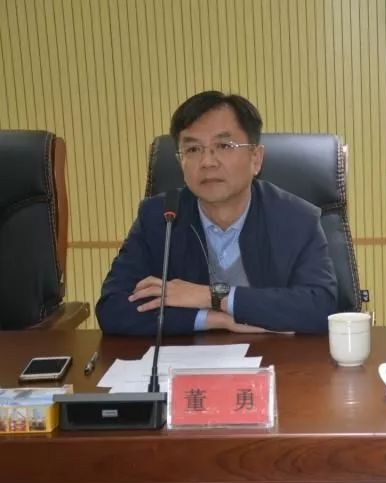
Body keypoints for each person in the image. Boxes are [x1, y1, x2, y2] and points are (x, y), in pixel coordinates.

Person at [96, 91, 337, 335]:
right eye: (193, 149)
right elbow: (113, 308)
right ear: (180, 162)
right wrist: (213, 319)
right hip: (187, 357)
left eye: (223, 146)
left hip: (275, 356)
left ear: (256, 159)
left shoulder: (296, 219)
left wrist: (211, 296)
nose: (207, 162)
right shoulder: (161, 218)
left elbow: (320, 307)